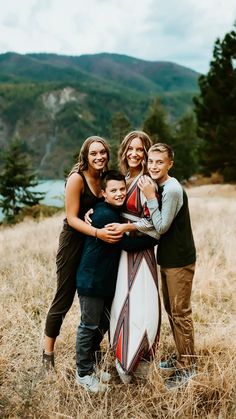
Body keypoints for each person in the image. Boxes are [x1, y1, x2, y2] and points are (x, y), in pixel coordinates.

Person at [42, 136, 122, 370]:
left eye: (102, 153)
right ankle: (48, 354)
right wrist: (97, 232)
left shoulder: (103, 179)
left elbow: (104, 203)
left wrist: (94, 211)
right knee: (64, 297)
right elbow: (71, 218)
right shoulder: (77, 178)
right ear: (85, 156)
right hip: (74, 242)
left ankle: (91, 353)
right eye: (93, 153)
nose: (99, 157)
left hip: (93, 246)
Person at [75, 170, 158, 393]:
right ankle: (82, 373)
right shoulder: (105, 215)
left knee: (101, 325)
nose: (120, 193)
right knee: (89, 326)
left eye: (122, 189)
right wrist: (155, 237)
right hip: (91, 282)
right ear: (103, 193)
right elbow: (127, 246)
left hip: (103, 281)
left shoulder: (110, 210)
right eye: (114, 190)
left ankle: (91, 367)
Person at [137, 142, 196, 390]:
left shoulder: (170, 189)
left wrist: (150, 197)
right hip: (167, 258)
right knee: (172, 310)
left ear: (170, 163)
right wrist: (131, 226)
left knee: (180, 312)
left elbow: (160, 227)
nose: (153, 165)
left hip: (180, 260)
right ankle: (182, 356)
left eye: (159, 162)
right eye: (150, 161)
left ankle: (189, 366)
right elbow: (155, 222)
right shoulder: (158, 185)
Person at [106, 131, 161, 384]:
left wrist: (127, 230)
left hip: (140, 247)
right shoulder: (125, 178)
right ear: (124, 150)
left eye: (140, 149)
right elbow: (111, 201)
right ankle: (121, 357)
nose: (134, 153)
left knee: (141, 303)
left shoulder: (147, 182)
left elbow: (154, 222)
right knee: (121, 302)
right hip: (121, 251)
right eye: (130, 148)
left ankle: (139, 358)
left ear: (146, 153)